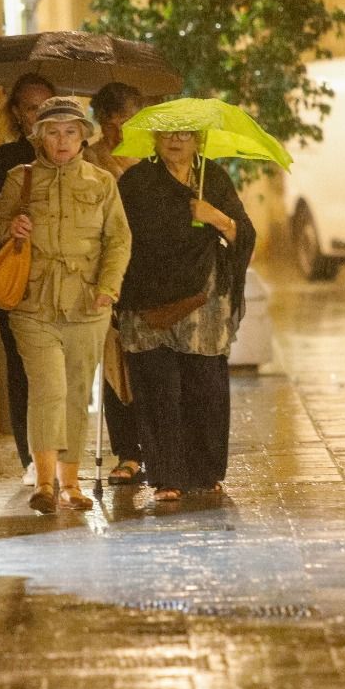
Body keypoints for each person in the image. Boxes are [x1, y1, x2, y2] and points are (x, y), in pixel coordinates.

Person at [0, 96, 132, 513]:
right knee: (47, 386)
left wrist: (109, 287)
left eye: (71, 132)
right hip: (34, 303)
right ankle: (44, 483)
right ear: (39, 138)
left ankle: (72, 483)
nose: (62, 140)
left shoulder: (102, 183)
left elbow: (119, 240)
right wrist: (10, 227)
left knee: (75, 391)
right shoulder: (21, 179)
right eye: (53, 132)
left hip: (88, 303)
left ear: (84, 137)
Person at [116, 129, 255, 503]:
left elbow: (242, 231)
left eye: (186, 135)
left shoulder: (214, 177)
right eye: (167, 134)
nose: (176, 141)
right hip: (148, 296)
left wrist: (216, 218)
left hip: (203, 299)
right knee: (157, 386)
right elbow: (125, 234)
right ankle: (167, 476)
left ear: (198, 141)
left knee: (204, 384)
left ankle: (204, 471)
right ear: (155, 139)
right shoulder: (137, 181)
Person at [0, 73, 55, 485]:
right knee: (22, 368)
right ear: (17, 112)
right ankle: (32, 459)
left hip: (58, 279)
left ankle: (56, 457)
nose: (39, 113)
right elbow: (8, 205)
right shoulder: (3, 156)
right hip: (17, 279)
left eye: (47, 104)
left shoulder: (71, 154)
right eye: (31, 107)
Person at [85, 83, 147, 486]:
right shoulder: (89, 160)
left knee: (149, 361)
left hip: (148, 269)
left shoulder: (151, 157)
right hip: (107, 268)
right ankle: (127, 452)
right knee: (115, 364)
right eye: (114, 121)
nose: (120, 129)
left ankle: (155, 446)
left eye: (127, 119)